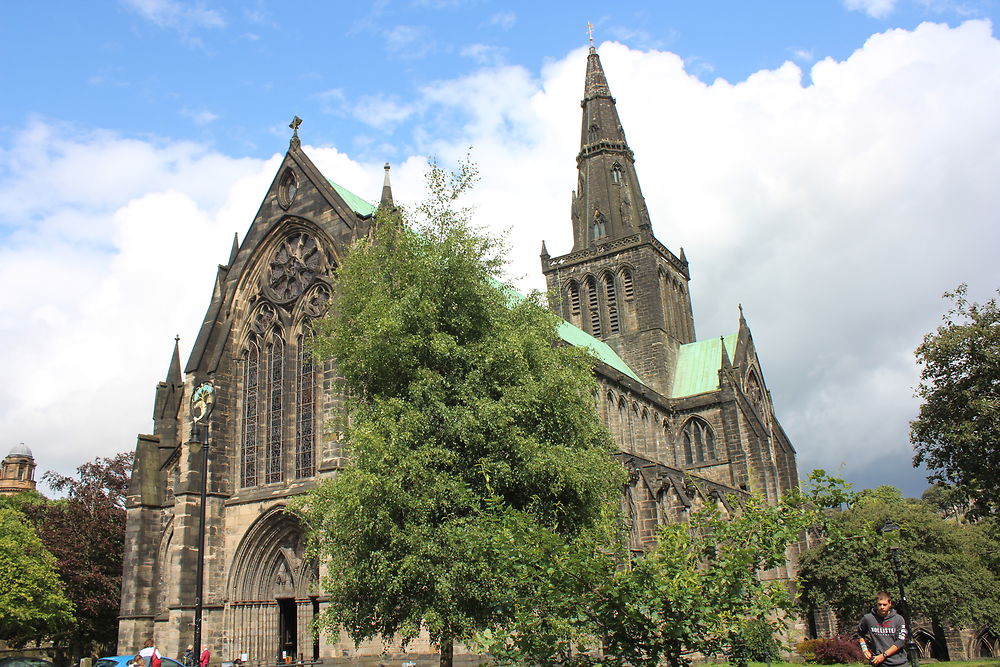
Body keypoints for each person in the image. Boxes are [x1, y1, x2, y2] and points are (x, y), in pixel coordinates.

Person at [858, 591, 908, 666]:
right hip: (879, 663)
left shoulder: (898, 619)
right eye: (879, 604)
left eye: (884, 605)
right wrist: (865, 649)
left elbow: (900, 641)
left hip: (898, 663)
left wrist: (884, 655)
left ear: (890, 604)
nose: (882, 607)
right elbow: (860, 634)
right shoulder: (868, 618)